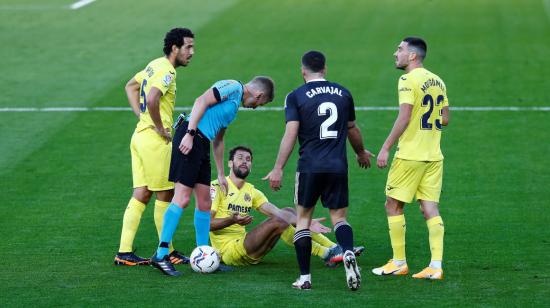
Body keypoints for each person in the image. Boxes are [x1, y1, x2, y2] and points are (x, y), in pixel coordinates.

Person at [263, 51, 374, 290]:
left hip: (309, 167)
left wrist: (278, 168)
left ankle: (304, 278)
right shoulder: (344, 93)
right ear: (325, 68)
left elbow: (291, 134)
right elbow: (352, 129)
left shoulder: (295, 96)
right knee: (339, 218)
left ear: (303, 71)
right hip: (337, 166)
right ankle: (346, 251)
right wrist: (361, 152)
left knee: (303, 220)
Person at [151, 76, 275, 276]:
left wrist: (220, 173)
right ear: (259, 95)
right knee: (181, 199)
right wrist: (190, 134)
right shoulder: (233, 87)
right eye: (261, 103)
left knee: (205, 203)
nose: (256, 107)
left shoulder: (234, 107)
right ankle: (161, 254)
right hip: (191, 137)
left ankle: (204, 253)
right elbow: (201, 101)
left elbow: (219, 139)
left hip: (203, 144)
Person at [114, 27, 195, 266]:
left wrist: (143, 118)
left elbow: (130, 86)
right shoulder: (167, 70)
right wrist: (159, 127)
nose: (192, 52)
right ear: (175, 48)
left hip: (139, 136)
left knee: (142, 193)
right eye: (188, 47)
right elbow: (152, 98)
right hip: (154, 141)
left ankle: (124, 252)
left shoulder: (155, 64)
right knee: (166, 195)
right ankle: (167, 251)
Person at [371, 37, 450, 280]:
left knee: (393, 205)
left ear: (412, 56)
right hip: (433, 156)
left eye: (400, 49)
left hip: (410, 156)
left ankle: (398, 262)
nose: (396, 53)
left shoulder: (407, 80)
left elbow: (404, 116)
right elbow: (445, 118)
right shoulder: (438, 80)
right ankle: (435, 266)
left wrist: (385, 147)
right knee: (430, 209)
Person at [210, 146, 365, 267]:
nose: (245, 161)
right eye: (240, 158)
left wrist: (304, 221)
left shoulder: (251, 191)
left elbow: (277, 212)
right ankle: (326, 253)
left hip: (248, 247)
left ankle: (337, 249)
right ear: (230, 163)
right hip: (227, 252)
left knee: (287, 211)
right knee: (279, 221)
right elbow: (207, 224)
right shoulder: (217, 187)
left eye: (248, 159)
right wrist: (232, 220)